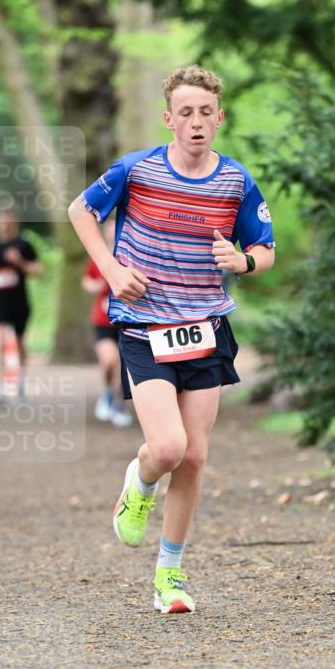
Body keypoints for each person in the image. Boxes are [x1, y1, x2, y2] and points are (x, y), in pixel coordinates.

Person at [68, 65, 275, 614]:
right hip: (145, 326)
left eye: (206, 112)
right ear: (169, 120)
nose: (197, 122)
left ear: (220, 117)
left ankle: (170, 576)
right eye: (185, 112)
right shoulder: (136, 170)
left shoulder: (235, 181)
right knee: (167, 448)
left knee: (195, 458)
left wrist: (244, 259)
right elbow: (80, 212)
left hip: (206, 328)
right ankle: (138, 481)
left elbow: (265, 248)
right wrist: (112, 272)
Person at [0, 203, 42, 396]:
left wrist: (20, 262)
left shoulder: (23, 245)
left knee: (20, 342)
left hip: (19, 301)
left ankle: (21, 381)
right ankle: (0, 387)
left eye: (7, 220)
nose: (4, 224)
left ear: (15, 222)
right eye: (0, 220)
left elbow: (38, 270)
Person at [81, 218, 133, 428]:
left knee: (122, 366)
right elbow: (87, 280)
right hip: (103, 321)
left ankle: (119, 406)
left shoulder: (131, 256)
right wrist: (96, 285)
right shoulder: (99, 258)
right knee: (108, 361)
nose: (114, 233)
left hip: (127, 321)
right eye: (110, 230)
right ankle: (107, 393)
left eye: (116, 229)